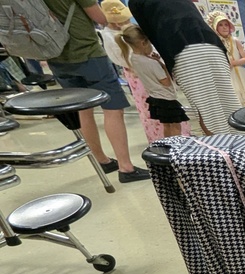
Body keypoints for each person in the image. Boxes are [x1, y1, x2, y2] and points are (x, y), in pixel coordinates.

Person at [41, 0, 150, 183]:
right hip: (88, 53)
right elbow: (100, 17)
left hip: (56, 55)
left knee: (83, 108)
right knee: (113, 108)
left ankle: (102, 160)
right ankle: (126, 167)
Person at [130, 0, 241, 135]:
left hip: (182, 50)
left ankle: (223, 150)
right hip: (212, 44)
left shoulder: (137, 3)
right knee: (229, 102)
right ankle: (242, 149)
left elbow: (152, 34)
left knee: (206, 110)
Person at [98, 0, 164, 143]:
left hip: (148, 69)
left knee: (159, 105)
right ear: (116, 22)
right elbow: (119, 58)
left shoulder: (129, 30)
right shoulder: (109, 36)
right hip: (137, 74)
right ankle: (159, 139)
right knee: (149, 109)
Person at [115, 26, 188, 137]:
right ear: (144, 43)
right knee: (176, 126)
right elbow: (166, 82)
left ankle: (168, 147)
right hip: (167, 98)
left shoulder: (133, 59)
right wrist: (162, 65)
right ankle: (178, 147)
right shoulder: (151, 63)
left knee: (167, 125)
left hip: (155, 98)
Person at [206, 11, 245, 108]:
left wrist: (233, 62)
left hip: (241, 74)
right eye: (220, 25)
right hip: (226, 75)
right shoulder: (215, 43)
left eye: (226, 25)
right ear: (215, 27)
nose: (224, 27)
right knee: (233, 101)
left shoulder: (235, 41)